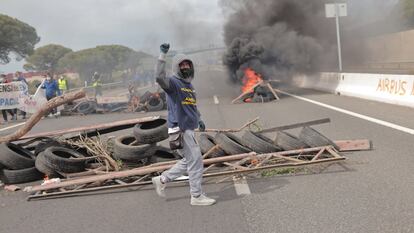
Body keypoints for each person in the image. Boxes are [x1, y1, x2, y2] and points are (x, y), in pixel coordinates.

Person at [152, 43, 215, 206]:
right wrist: (162, 55)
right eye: (182, 65)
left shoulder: (189, 86)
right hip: (180, 129)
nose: (185, 67)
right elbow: (159, 77)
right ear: (176, 67)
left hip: (188, 128)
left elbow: (192, 106)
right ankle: (196, 195)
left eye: (188, 64)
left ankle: (162, 179)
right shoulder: (173, 83)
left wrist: (199, 119)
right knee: (196, 160)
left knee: (189, 160)